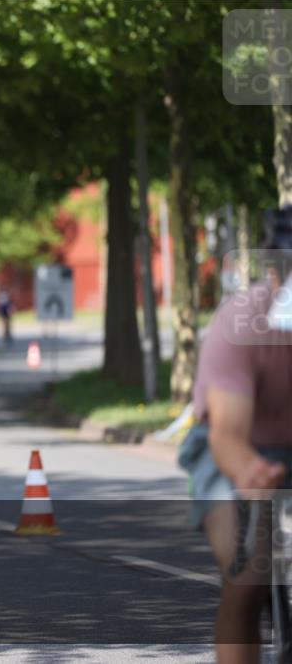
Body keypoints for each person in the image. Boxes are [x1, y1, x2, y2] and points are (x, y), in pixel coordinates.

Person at [179, 206, 292, 663]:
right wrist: (253, 471)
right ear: (273, 271)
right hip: (232, 450)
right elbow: (227, 433)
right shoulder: (240, 324)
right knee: (247, 578)